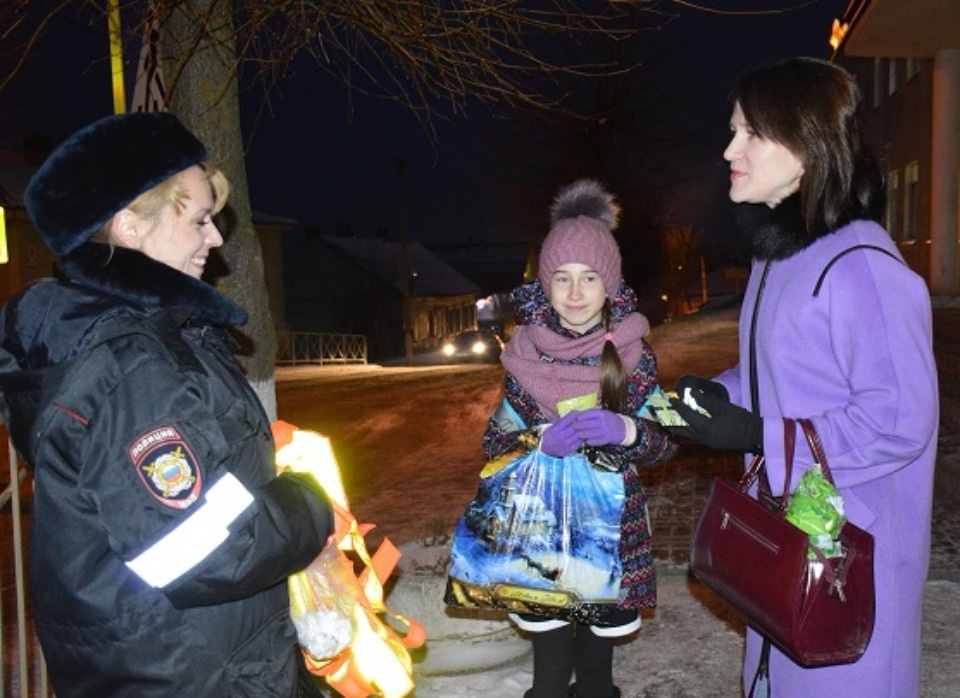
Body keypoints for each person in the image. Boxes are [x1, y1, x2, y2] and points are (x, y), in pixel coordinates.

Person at [0, 112, 335, 697]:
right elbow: (203, 552)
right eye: (200, 220)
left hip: (197, 658)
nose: (216, 238)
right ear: (129, 226)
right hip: (193, 672)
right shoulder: (132, 366)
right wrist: (310, 502)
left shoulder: (147, 337)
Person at [666, 57, 938, 696]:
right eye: (733, 131)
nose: (730, 150)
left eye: (751, 133)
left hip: (850, 563)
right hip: (790, 541)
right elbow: (779, 372)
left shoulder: (863, 268)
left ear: (807, 146)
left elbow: (899, 420)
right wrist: (719, 397)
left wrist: (758, 434)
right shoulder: (779, 260)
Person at [481, 179, 677, 698]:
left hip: (608, 535)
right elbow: (493, 444)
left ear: (608, 283)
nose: (574, 293)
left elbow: (666, 440)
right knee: (549, 672)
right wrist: (538, 442)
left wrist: (627, 430)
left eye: (589, 277)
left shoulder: (633, 354)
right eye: (561, 278)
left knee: (595, 672)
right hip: (542, 530)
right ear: (544, 284)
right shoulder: (524, 354)